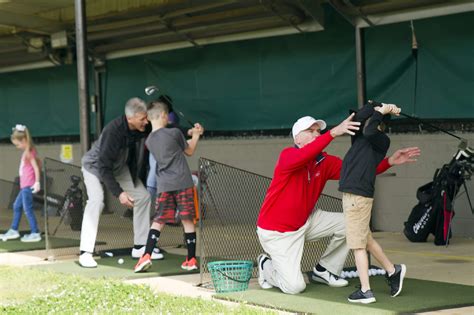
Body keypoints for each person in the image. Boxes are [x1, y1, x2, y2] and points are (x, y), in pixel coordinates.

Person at [257, 113, 420, 295]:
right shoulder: (288, 155)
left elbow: (356, 171)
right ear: (297, 138)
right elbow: (304, 155)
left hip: (306, 221)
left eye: (318, 131)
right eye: (310, 131)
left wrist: (389, 162)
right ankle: (266, 265)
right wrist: (333, 132)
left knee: (350, 223)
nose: (316, 134)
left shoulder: (324, 162)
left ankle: (325, 269)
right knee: (295, 287)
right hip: (277, 233)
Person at [339, 101, 420, 304]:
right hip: (352, 196)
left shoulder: (381, 140)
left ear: (380, 123)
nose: (364, 118)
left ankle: (366, 291)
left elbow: (369, 130)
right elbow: (358, 119)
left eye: (373, 117)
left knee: (358, 245)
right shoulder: (359, 137)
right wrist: (377, 104)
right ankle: (393, 271)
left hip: (358, 196)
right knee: (366, 239)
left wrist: (381, 112)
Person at [79, 97, 163, 268]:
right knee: (96, 200)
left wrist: (189, 132)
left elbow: (162, 129)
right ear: (129, 117)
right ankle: (85, 252)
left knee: (143, 197)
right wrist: (120, 193)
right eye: (142, 119)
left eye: (146, 117)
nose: (146, 122)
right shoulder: (113, 131)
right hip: (95, 167)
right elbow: (103, 168)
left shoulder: (140, 127)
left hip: (119, 167)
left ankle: (140, 247)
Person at [134, 100, 204, 273]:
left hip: (164, 185)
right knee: (187, 220)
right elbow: (189, 150)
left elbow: (172, 146)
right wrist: (196, 136)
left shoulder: (149, 140)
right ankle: (191, 259)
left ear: (149, 119)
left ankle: (146, 255)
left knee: (159, 220)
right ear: (164, 116)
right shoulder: (174, 133)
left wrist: (190, 135)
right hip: (182, 182)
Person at [1, 124, 42, 242]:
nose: (17, 147)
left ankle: (35, 232)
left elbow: (35, 168)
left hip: (28, 185)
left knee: (27, 209)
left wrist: (37, 182)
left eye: (18, 144)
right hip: (24, 185)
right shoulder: (27, 151)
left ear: (23, 140)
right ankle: (13, 230)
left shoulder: (29, 152)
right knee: (16, 205)